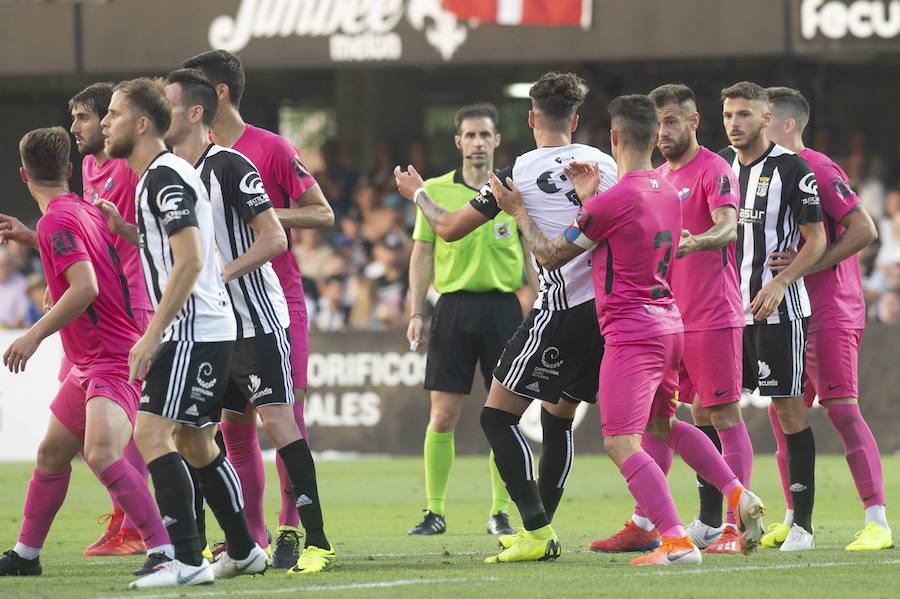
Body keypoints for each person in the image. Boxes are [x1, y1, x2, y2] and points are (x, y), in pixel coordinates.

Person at [493, 94, 763, 567]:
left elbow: (554, 254)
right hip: (667, 323)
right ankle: (737, 494)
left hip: (630, 330)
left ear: (614, 137)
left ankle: (676, 542)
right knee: (666, 424)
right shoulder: (665, 191)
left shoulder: (614, 200)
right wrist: (589, 199)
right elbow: (624, 232)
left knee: (621, 441)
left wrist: (519, 212)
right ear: (649, 137)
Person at [396, 71, 616, 563]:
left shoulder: (516, 172)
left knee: (496, 417)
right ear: (576, 120)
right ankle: (542, 529)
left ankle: (534, 530)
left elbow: (449, 229)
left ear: (531, 118)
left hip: (559, 308)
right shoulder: (605, 162)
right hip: (606, 311)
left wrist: (418, 194)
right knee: (559, 421)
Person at [162, 67, 334, 574]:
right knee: (206, 432)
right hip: (214, 329)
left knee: (281, 423)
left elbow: (275, 239)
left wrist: (223, 273)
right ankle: (236, 547)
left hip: (258, 320)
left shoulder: (233, 166)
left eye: (167, 105)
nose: (158, 115)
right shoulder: (175, 172)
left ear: (196, 111)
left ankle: (316, 541)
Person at [99, 77, 265, 588]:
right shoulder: (161, 175)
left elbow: (190, 260)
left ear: (143, 124)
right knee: (195, 442)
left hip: (191, 329)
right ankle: (242, 550)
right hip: (205, 326)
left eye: (113, 114)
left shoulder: (163, 178)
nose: (105, 124)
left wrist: (152, 333)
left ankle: (188, 561)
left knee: (151, 434)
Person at [0, 127, 170, 577]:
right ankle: (25, 555)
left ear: (23, 174)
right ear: (69, 171)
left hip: (111, 357)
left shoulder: (56, 219)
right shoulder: (81, 209)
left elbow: (87, 286)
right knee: (52, 453)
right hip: (91, 359)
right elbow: (91, 271)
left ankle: (165, 551)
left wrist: (33, 335)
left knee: (101, 455)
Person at [591, 83, 753, 555]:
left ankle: (732, 527)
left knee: (719, 415)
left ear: (694, 121)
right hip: (670, 316)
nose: (663, 132)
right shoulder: (657, 179)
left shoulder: (715, 169)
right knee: (660, 422)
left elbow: (729, 224)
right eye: (658, 123)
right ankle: (647, 521)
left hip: (712, 312)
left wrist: (697, 241)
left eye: (673, 122)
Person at [764, 86, 890, 551]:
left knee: (842, 410)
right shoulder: (762, 173)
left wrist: (803, 267)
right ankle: (795, 517)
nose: (752, 125)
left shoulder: (817, 167)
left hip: (831, 309)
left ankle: (877, 520)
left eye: (762, 116)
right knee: (785, 414)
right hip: (789, 310)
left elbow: (864, 229)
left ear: (788, 124)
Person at [405, 103, 529, 537]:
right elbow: (422, 251)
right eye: (470, 136)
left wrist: (536, 299)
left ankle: (500, 510)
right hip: (453, 307)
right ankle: (434, 511)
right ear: (458, 142)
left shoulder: (512, 188)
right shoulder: (435, 189)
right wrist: (417, 310)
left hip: (504, 308)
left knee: (505, 415)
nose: (478, 143)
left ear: (497, 141)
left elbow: (530, 249)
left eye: (485, 135)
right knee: (442, 416)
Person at [719, 82, 826, 551]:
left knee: (788, 411)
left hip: (777, 312)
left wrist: (782, 281)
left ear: (766, 118)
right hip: (725, 312)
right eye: (727, 115)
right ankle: (721, 520)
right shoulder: (719, 167)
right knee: (712, 409)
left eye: (744, 114)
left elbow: (817, 238)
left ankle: (800, 524)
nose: (734, 123)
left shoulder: (792, 168)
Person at [69, 81, 154, 557]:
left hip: (135, 301)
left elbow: (157, 231)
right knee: (82, 418)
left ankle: (135, 526)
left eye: (86, 116)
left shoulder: (130, 166)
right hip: (98, 303)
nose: (78, 126)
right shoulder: (87, 165)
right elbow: (91, 232)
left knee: (131, 422)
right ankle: (128, 517)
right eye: (77, 116)